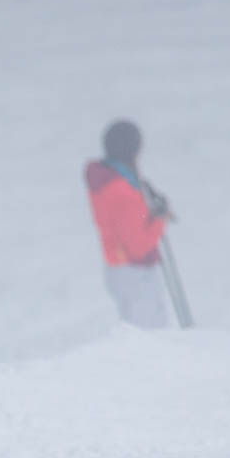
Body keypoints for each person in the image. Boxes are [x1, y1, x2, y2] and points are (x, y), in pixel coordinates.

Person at [84, 119, 173, 328]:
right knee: (149, 335)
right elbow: (138, 246)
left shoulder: (117, 181)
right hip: (134, 272)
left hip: (125, 267)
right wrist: (159, 220)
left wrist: (149, 212)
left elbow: (131, 222)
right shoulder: (121, 191)